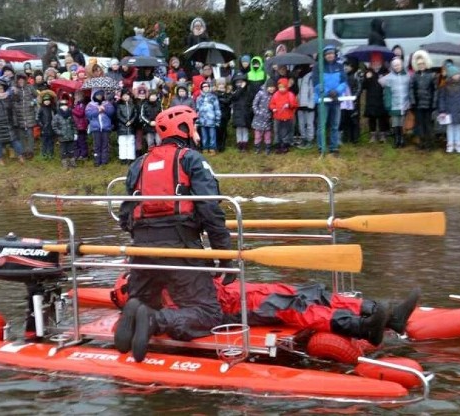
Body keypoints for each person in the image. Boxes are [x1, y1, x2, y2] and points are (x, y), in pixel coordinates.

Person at [116, 105, 232, 363]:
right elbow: (210, 209)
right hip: (180, 247)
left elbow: (126, 215)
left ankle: (139, 307)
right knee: (208, 313)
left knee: (146, 298)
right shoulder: (191, 159)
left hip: (142, 250)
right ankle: (154, 320)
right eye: (195, 126)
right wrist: (224, 254)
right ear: (186, 128)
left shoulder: (139, 163)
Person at [111, 273, 419, 346]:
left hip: (244, 291)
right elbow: (203, 308)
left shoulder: (172, 280)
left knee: (308, 292)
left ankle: (385, 315)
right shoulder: (167, 302)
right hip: (238, 307)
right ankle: (360, 327)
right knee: (294, 308)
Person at [312, 45, 347, 154]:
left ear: (335, 54)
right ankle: (321, 147)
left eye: (331, 53)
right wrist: (327, 92)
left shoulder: (340, 66)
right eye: (327, 54)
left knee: (335, 125)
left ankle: (333, 147)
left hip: (336, 100)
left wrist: (337, 91)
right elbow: (316, 83)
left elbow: (344, 82)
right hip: (323, 101)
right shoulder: (318, 66)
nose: (330, 55)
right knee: (322, 125)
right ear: (324, 56)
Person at [437, 64, 460, 154]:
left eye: (458, 74)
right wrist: (442, 110)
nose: (458, 75)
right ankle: (450, 144)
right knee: (450, 128)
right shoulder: (445, 85)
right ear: (451, 75)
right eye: (456, 74)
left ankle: (458, 144)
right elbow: (442, 98)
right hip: (449, 110)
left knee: (458, 127)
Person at [409, 50, 437, 151]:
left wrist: (434, 104)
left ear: (426, 63)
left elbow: (435, 90)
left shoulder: (432, 75)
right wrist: (412, 101)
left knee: (428, 124)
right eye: (419, 64)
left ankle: (429, 143)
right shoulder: (414, 76)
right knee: (419, 124)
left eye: (423, 63)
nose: (421, 65)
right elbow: (411, 89)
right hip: (418, 105)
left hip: (428, 105)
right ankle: (422, 142)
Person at [381, 58, 411, 148]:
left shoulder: (407, 76)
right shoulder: (389, 77)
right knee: (395, 122)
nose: (397, 67)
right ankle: (396, 139)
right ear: (392, 67)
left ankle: (402, 139)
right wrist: (388, 103)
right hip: (394, 104)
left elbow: (410, 89)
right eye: (394, 65)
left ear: (402, 65)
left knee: (402, 123)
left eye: (398, 65)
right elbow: (387, 92)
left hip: (404, 103)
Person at [269, 77, 298, 154]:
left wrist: (289, 105)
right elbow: (271, 104)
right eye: (280, 87)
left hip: (287, 116)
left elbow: (295, 104)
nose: (281, 89)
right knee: (277, 130)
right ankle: (277, 144)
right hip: (277, 116)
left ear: (286, 87)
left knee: (285, 131)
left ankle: (285, 145)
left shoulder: (290, 95)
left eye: (283, 87)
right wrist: (273, 108)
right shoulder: (275, 95)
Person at [195, 81, 221, 154]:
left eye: (207, 86)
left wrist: (217, 119)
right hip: (202, 120)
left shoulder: (213, 97)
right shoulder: (199, 98)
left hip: (211, 120)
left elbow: (217, 109)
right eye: (204, 87)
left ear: (209, 88)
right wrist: (197, 120)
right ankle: (205, 148)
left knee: (212, 135)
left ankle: (212, 148)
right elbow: (197, 110)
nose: (205, 88)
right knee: (204, 136)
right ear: (202, 88)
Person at [251, 79, 276, 154]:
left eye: (273, 87)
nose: (272, 88)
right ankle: (257, 148)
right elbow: (254, 104)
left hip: (268, 119)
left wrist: (272, 114)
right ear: (267, 87)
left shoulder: (274, 95)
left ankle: (267, 148)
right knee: (258, 135)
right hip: (259, 119)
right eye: (270, 87)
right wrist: (258, 113)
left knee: (267, 135)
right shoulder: (260, 93)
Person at [229, 73, 251, 151]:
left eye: (241, 82)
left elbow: (250, 101)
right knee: (239, 130)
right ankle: (239, 144)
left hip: (245, 113)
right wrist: (241, 88)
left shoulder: (248, 91)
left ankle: (245, 144)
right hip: (237, 114)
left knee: (245, 130)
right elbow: (234, 97)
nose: (239, 84)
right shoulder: (235, 91)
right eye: (237, 82)